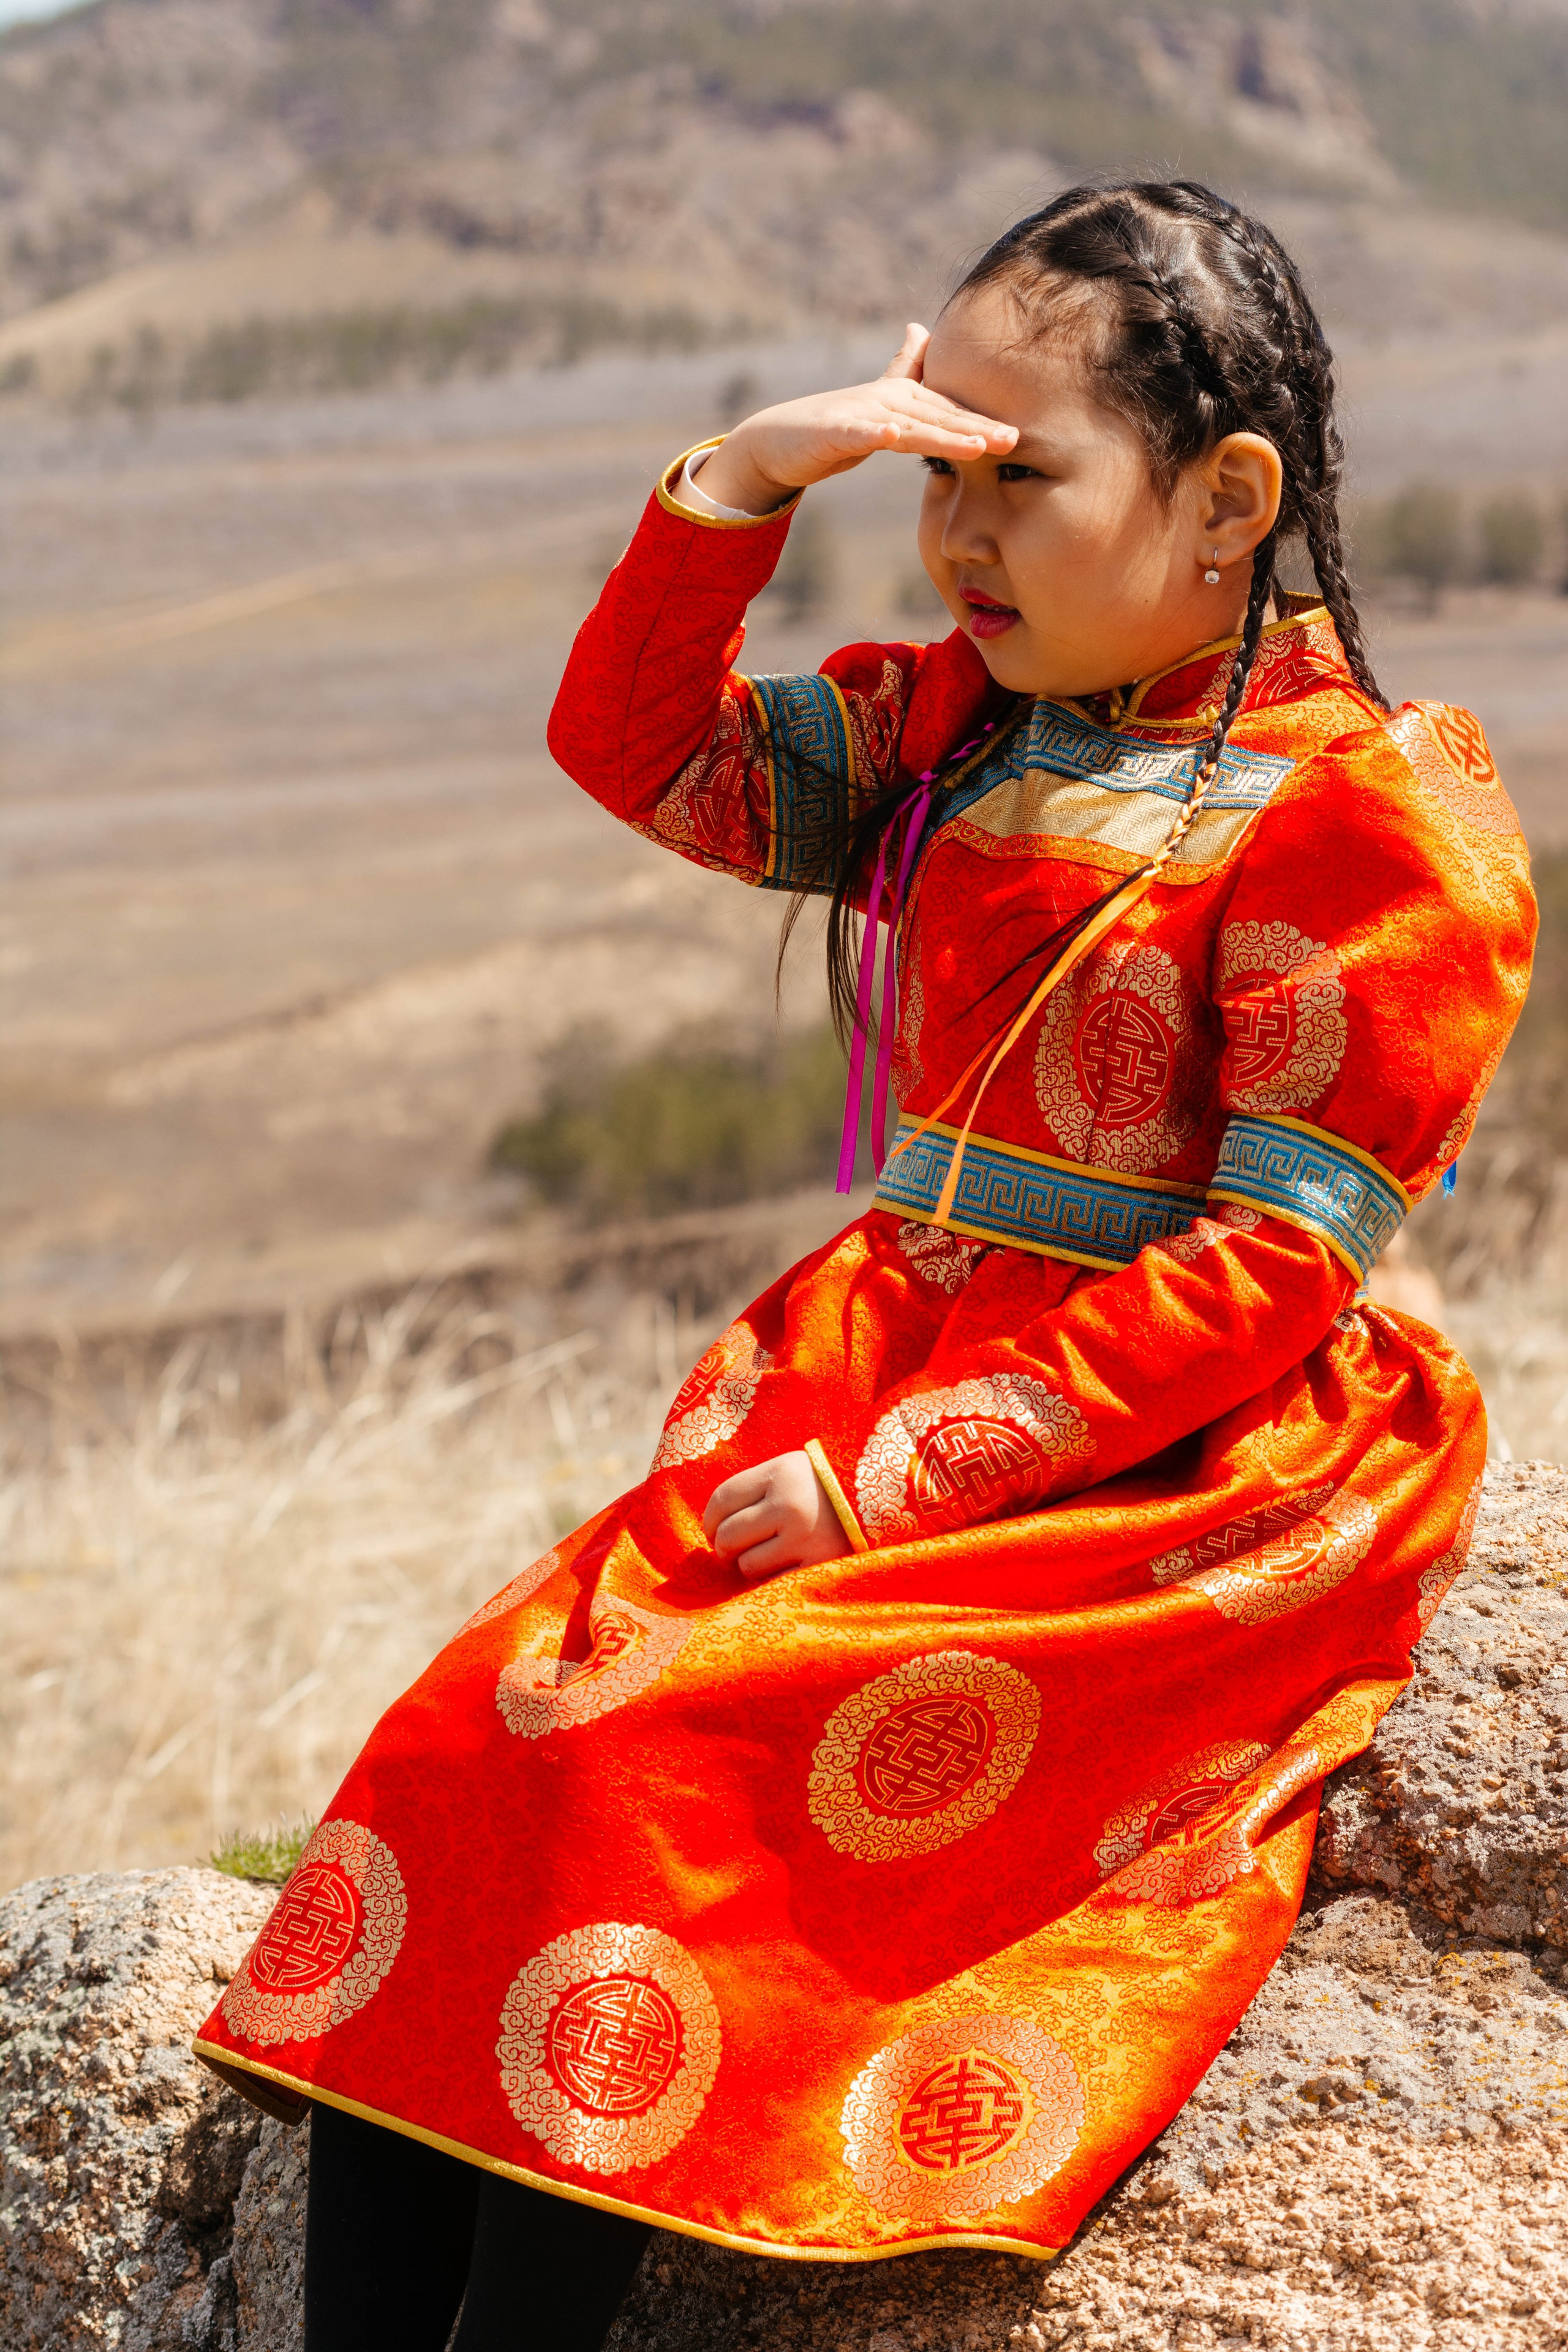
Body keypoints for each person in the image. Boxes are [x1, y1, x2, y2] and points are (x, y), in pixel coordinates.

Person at [195, 181, 1535, 2348]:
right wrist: (738, 486)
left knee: (638, 1769)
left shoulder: (1362, 820)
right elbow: (638, 751)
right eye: (934, 473)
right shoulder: (947, 730)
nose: (961, 537)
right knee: (469, 1740)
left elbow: (1281, 1260)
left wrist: (908, 1473)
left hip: (1165, 1449)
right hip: (873, 1370)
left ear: (1229, 498)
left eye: (1016, 475)